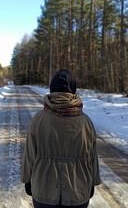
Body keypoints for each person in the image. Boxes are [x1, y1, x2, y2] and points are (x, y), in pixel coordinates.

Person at [21, 69, 101, 208]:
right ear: (74, 91)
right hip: (78, 192)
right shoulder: (86, 122)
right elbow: (92, 156)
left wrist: (27, 180)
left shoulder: (38, 120)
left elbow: (29, 155)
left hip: (43, 191)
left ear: (52, 90)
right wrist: (93, 181)